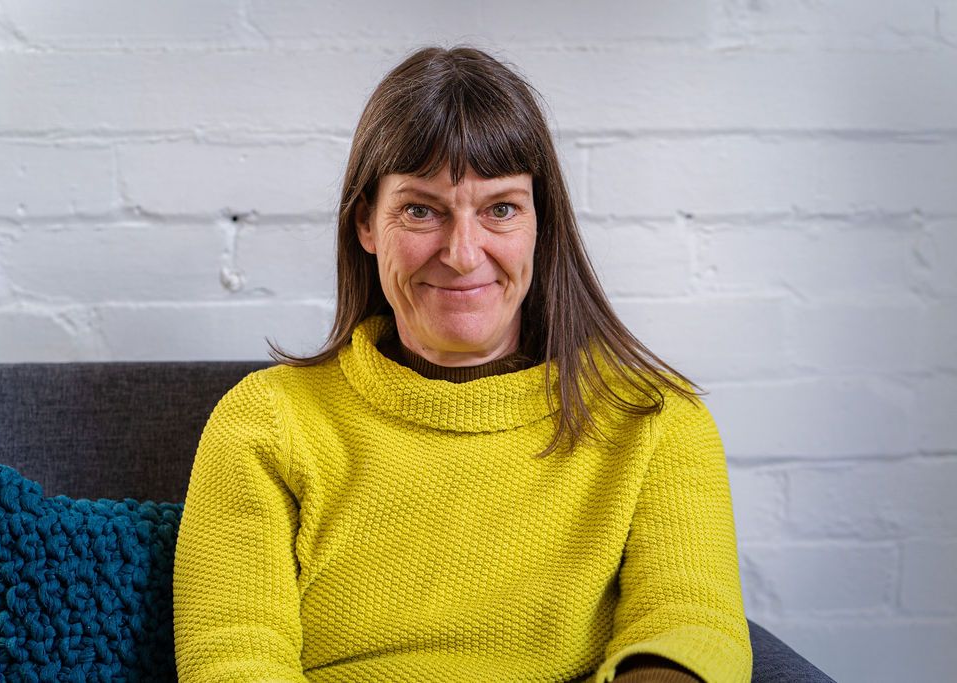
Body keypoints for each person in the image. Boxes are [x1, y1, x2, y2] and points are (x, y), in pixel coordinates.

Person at [172, 45, 752, 683]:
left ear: (540, 223)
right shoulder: (264, 421)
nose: (463, 252)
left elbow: (692, 623)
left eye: (500, 208)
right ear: (366, 222)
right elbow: (232, 655)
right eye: (421, 210)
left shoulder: (655, 420)